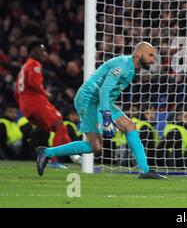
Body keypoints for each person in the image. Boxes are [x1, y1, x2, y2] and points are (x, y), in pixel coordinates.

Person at [35, 41, 166, 179]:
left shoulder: (132, 68)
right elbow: (104, 89)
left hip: (101, 100)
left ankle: (145, 170)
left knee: (128, 127)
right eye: (150, 55)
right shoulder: (122, 65)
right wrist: (107, 115)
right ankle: (47, 152)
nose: (153, 59)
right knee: (95, 146)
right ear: (138, 53)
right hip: (89, 98)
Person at [15, 40, 72, 169]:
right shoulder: (35, 64)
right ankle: (52, 159)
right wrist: (45, 93)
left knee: (52, 129)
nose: (44, 54)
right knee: (59, 124)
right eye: (42, 51)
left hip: (25, 106)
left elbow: (16, 91)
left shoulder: (24, 67)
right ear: (33, 52)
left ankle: (72, 155)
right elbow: (33, 83)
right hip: (36, 102)